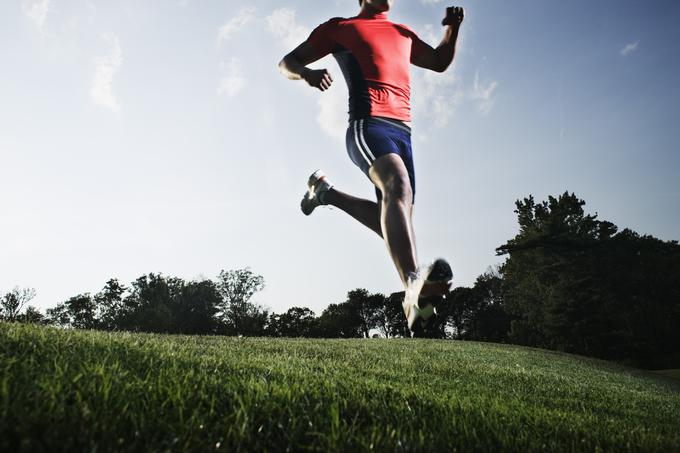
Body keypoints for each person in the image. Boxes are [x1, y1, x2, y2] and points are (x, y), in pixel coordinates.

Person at [278, 0, 464, 337]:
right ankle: (412, 288)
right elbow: (287, 62)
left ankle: (326, 194)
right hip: (369, 126)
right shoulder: (339, 28)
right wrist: (306, 73)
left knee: (393, 221)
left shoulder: (403, 32)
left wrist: (452, 29)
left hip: (403, 133)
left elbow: (438, 62)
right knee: (398, 186)